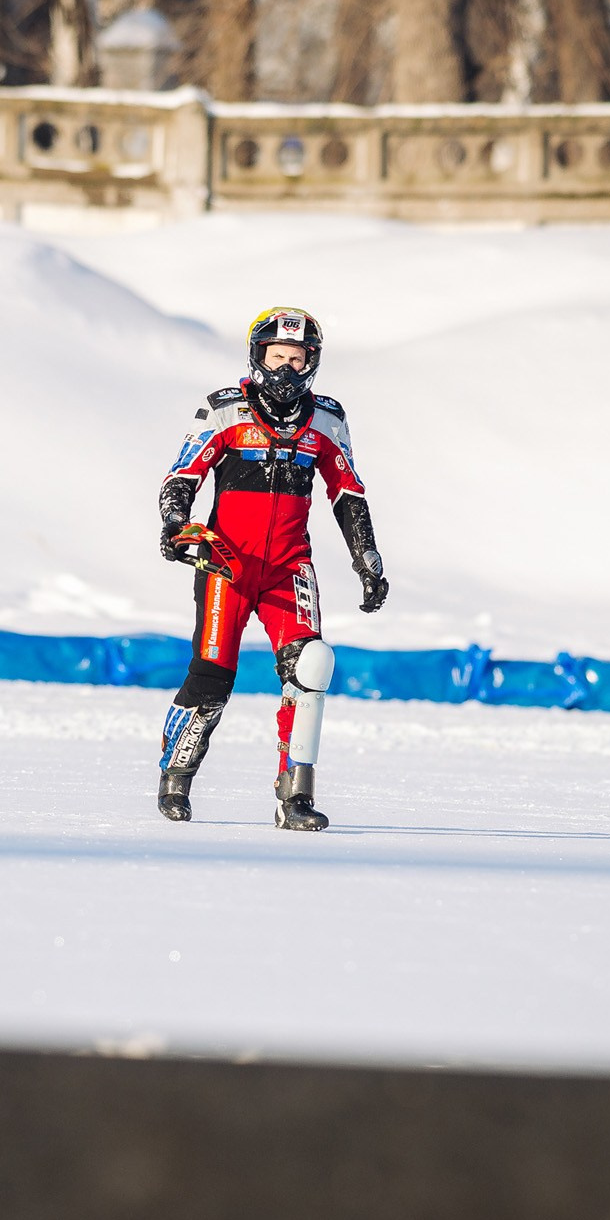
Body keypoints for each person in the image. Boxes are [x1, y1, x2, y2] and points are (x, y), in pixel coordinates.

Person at [156, 306, 388, 830]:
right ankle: (176, 775)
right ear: (257, 356)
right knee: (213, 676)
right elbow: (182, 476)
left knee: (310, 669)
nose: (285, 368)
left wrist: (367, 559)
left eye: (296, 358)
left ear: (312, 362)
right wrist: (175, 524)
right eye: (276, 356)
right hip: (227, 565)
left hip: (289, 567)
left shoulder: (327, 418)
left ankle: (295, 796)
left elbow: (348, 492)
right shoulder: (225, 410)